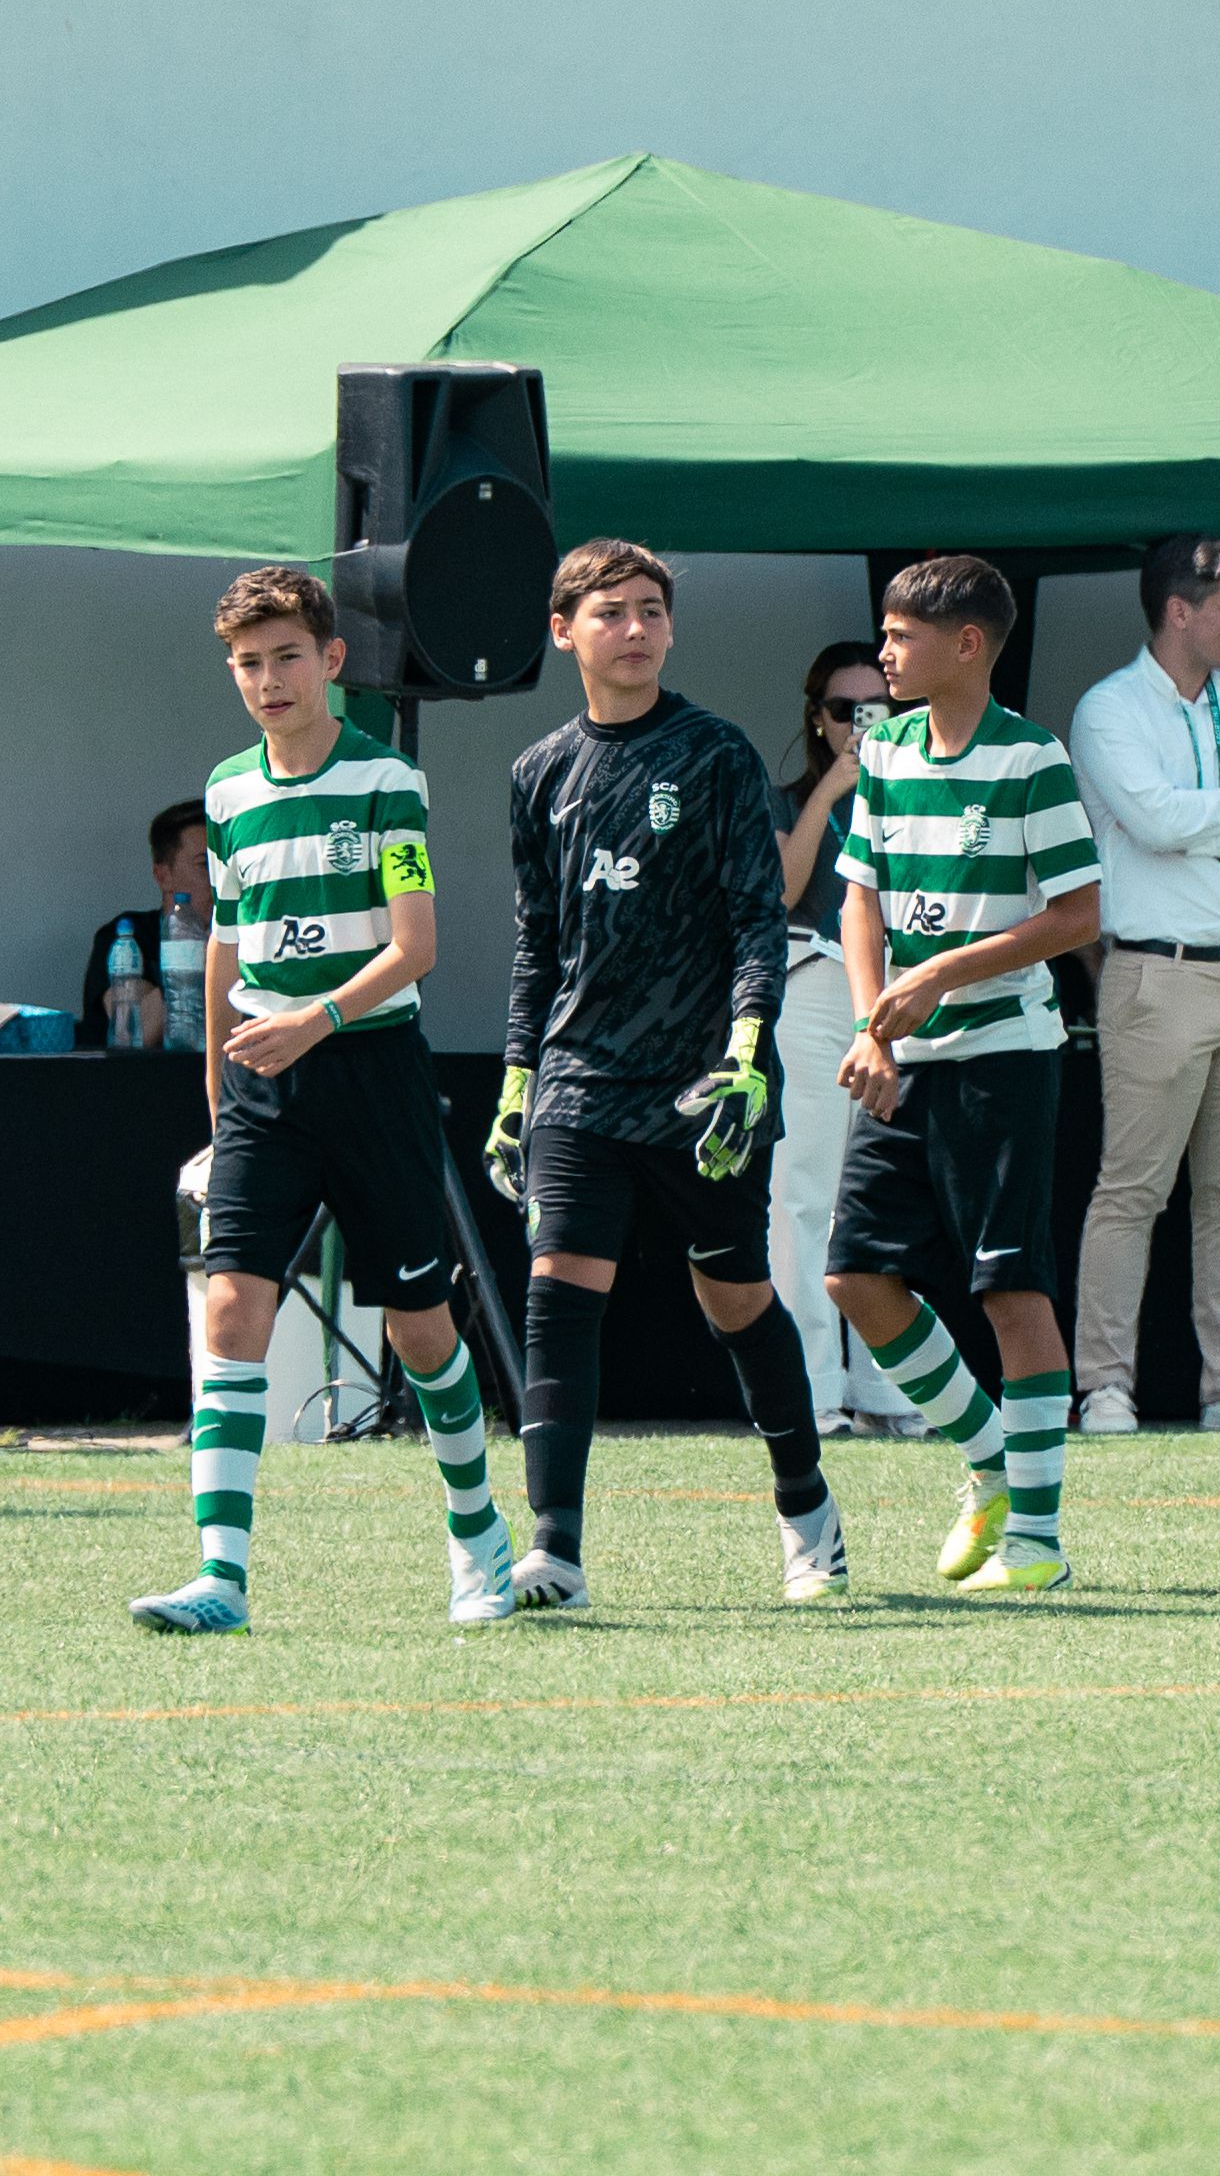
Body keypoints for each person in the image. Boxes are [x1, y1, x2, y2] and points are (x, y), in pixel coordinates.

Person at [128, 569, 510, 1635]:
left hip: (372, 1069)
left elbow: (415, 945)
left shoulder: (388, 779)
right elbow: (224, 952)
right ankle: (221, 1576)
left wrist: (317, 1020)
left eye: (286, 655)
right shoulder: (228, 792)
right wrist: (220, 1094)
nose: (267, 678)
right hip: (262, 1083)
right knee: (230, 1306)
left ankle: (479, 1540)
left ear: (332, 660)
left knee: (421, 1327)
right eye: (247, 662)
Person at [489, 540, 839, 1612]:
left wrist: (746, 1047)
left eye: (651, 610)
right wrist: (515, 1078)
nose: (634, 628)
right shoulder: (538, 772)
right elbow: (538, 942)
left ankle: (808, 1512)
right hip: (581, 1083)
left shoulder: (716, 753)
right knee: (559, 1294)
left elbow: (756, 916)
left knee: (733, 1298)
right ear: (563, 632)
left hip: (703, 1086)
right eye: (610, 613)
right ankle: (554, 1547)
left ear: (671, 629)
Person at [822, 555, 1105, 1589]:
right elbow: (859, 895)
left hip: (1008, 1056)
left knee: (1010, 1288)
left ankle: (1036, 1543)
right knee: (854, 1276)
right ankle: (991, 1462)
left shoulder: (1033, 758)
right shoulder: (885, 746)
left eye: (900, 635)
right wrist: (874, 1025)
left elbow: (1078, 917)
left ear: (969, 645)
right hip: (903, 1054)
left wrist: (940, 971)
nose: (884, 651)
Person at [1067, 534, 1220, 1437]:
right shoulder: (1108, 708)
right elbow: (1151, 819)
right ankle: (1104, 1387)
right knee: (1132, 1189)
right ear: (1181, 611)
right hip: (1155, 970)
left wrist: (1199, 819)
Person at [768, 640, 916, 1437]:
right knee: (802, 1194)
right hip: (809, 990)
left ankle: (893, 1387)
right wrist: (832, 788)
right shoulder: (792, 795)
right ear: (817, 719)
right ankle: (814, 1389)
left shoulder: (921, 789)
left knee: (889, 1194)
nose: (860, 726)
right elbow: (780, 891)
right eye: (842, 712)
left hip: (900, 997)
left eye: (877, 710)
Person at [81, 798, 209, 1049]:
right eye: (205, 865)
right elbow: (138, 1031)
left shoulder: (250, 938)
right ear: (163, 876)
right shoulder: (127, 937)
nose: (220, 879)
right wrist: (198, 961)